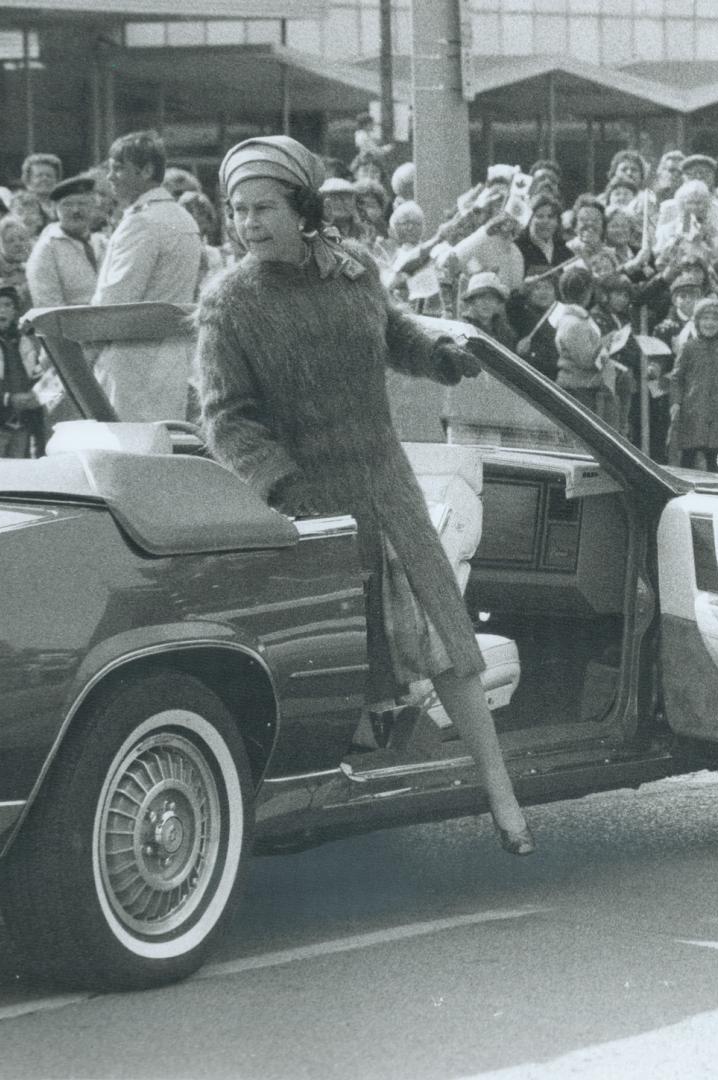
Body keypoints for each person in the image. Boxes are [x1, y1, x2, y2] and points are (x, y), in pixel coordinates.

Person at [194, 134, 532, 855]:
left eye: (264, 208)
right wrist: (285, 488)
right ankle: (321, 809)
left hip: (386, 486)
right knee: (348, 658)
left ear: (304, 207)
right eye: (237, 210)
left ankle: (505, 802)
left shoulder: (352, 270)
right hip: (305, 505)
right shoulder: (228, 303)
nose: (248, 223)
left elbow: (392, 331)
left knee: (449, 646)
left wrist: (436, 358)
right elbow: (226, 418)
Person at [91, 130, 203, 421]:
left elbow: (113, 302)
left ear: (147, 170)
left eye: (118, 168)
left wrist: (85, 353)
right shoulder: (182, 217)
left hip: (131, 359)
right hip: (170, 356)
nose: (111, 177)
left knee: (124, 449)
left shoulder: (143, 222)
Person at [667, 296, 718, 471]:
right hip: (692, 414)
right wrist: (676, 403)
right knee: (688, 461)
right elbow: (677, 378)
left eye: (715, 319)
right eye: (705, 318)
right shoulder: (688, 348)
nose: (710, 323)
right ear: (697, 321)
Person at [0, 282, 45, 457]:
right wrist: (8, 399)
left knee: (19, 471)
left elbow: (38, 380)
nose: (2, 311)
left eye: (8, 305)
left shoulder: (25, 343)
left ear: (15, 311)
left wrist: (37, 397)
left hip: (22, 423)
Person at [25, 174, 104, 309]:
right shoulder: (47, 249)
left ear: (93, 207)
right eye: (67, 204)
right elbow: (48, 306)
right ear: (55, 209)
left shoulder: (102, 243)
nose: (76, 210)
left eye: (82, 203)